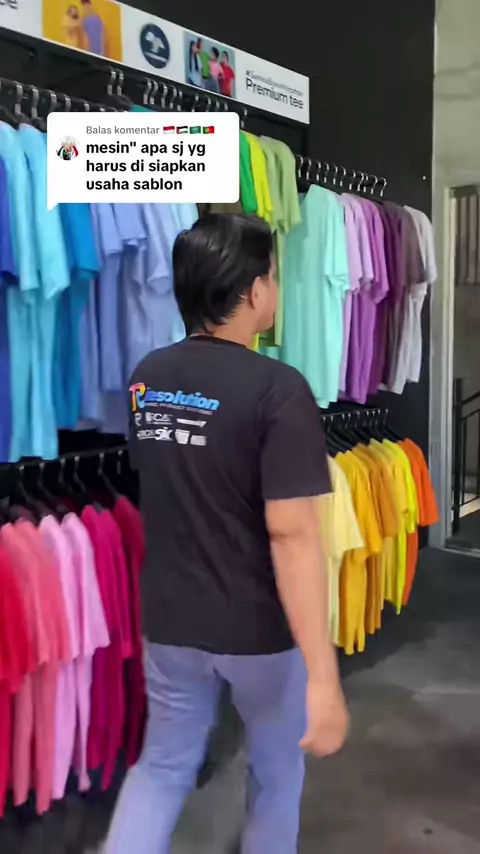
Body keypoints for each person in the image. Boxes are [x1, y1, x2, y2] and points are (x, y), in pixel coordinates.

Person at [105, 214, 348, 854]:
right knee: (276, 773)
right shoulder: (279, 389)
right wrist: (323, 674)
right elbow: (292, 536)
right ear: (255, 290)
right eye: (273, 275)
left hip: (170, 620)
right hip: (256, 631)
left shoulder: (148, 377)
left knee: (161, 769)